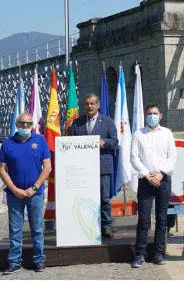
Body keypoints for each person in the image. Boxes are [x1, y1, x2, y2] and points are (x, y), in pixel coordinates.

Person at [0, 113, 52, 274]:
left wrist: (35, 187)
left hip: (35, 193)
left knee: (37, 228)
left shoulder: (40, 140)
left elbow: (47, 167)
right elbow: (2, 170)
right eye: (22, 123)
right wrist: (14, 189)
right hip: (14, 194)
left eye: (28, 124)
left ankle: (39, 260)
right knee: (15, 229)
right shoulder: (7, 143)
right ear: (17, 124)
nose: (25, 126)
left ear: (32, 125)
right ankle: (14, 261)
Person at [130, 104, 177, 268]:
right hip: (145, 180)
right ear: (145, 115)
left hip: (163, 179)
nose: (152, 116)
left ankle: (158, 253)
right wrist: (146, 174)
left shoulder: (167, 133)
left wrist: (161, 173)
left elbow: (172, 157)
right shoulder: (138, 134)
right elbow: (134, 157)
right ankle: (140, 254)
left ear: (160, 115)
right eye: (149, 113)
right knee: (143, 219)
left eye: (155, 113)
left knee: (162, 219)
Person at [68, 93, 119, 238]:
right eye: (87, 104)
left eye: (92, 103)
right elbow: (71, 143)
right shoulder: (77, 123)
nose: (89, 106)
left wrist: (104, 142)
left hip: (102, 166)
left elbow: (115, 141)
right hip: (82, 167)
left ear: (98, 105)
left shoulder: (108, 122)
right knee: (84, 197)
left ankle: (106, 225)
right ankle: (86, 224)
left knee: (104, 198)